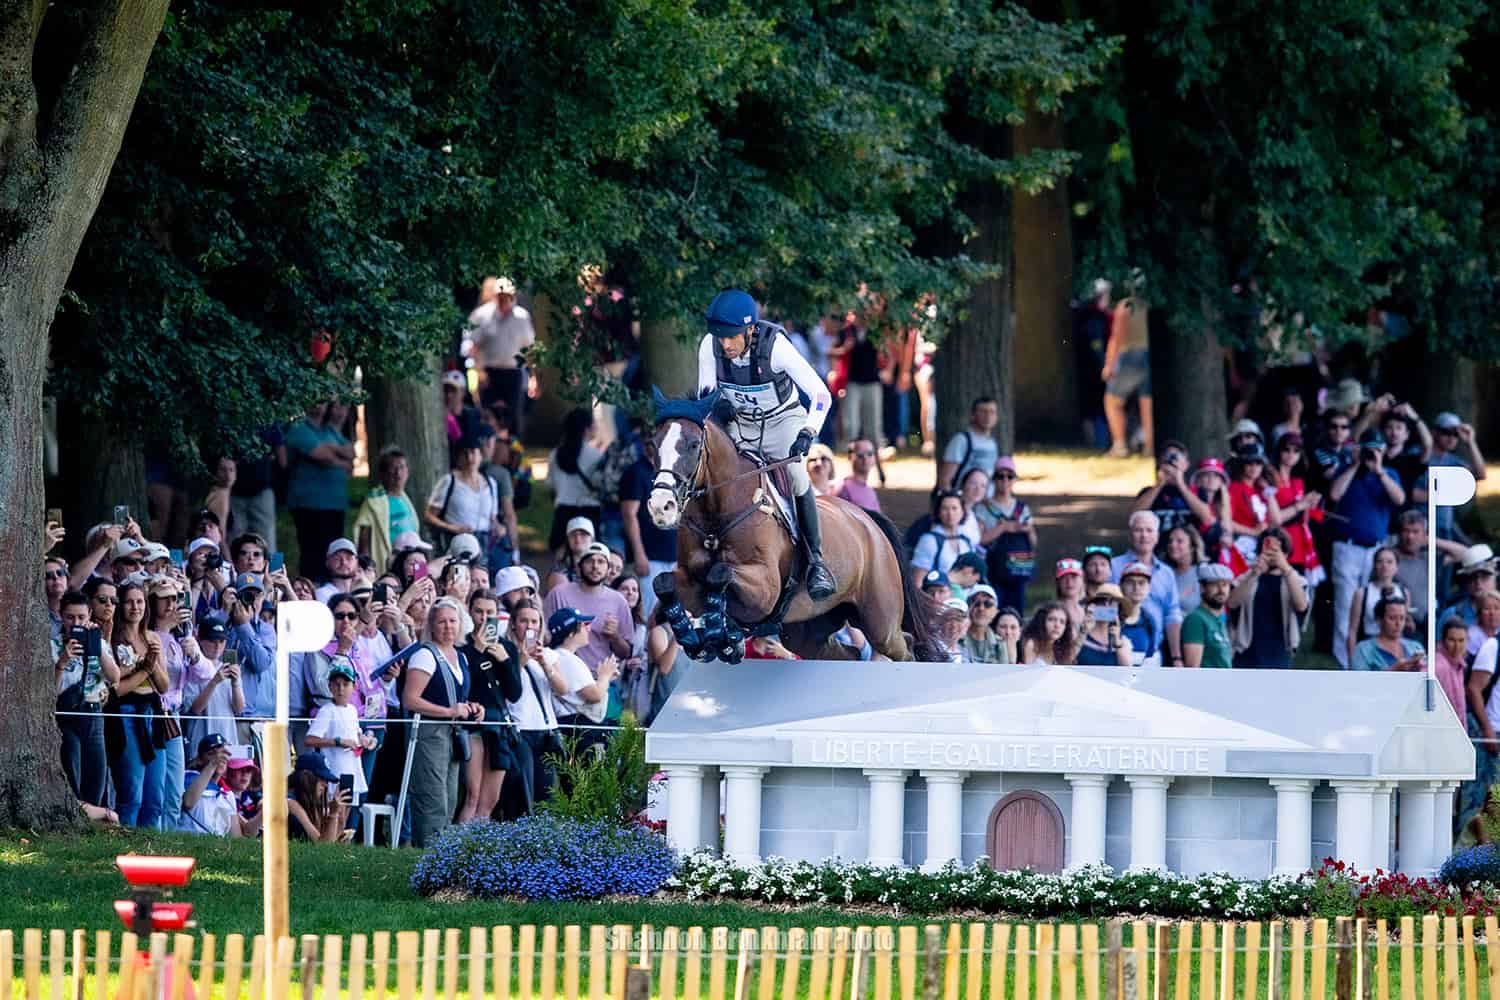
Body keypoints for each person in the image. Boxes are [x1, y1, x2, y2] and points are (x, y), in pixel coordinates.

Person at [697, 289, 838, 598]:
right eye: (720, 336)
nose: (725, 344)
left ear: (750, 330)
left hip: (783, 422)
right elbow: (705, 397)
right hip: (740, 425)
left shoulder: (776, 348)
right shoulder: (710, 346)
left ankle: (816, 560)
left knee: (798, 476)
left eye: (732, 337)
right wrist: (716, 407)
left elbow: (820, 394)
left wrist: (808, 431)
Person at [402, 599, 480, 847]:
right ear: (432, 626)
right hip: (429, 733)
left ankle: (441, 858)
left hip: (453, 734)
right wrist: (447, 711)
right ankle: (425, 856)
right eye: (442, 621)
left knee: (449, 798)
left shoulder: (461, 657)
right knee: (431, 798)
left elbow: (458, 696)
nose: (448, 626)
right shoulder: (425, 655)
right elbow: (410, 699)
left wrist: (472, 707)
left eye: (452, 620)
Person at [1328, 428, 1405, 668]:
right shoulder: (1346, 471)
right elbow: (1334, 493)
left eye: (1376, 449)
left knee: (1378, 605)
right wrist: (1354, 465)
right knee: (1344, 607)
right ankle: (1346, 664)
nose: (1372, 454)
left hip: (1377, 551)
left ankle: (1377, 660)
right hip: (1348, 549)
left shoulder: (1389, 473)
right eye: (1368, 449)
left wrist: (1379, 470)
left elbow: (1399, 499)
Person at [107, 581, 170, 827]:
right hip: (126, 714)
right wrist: (144, 669)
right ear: (121, 605)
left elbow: (164, 685)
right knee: (132, 793)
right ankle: (126, 847)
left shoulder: (152, 637)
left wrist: (150, 664)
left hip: (153, 715)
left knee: (155, 796)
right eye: (130, 601)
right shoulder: (113, 638)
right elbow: (117, 689)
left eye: (140, 601)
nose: (136, 607)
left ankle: (151, 850)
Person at [457, 589, 522, 823]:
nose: (484, 618)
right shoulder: (462, 648)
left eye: (490, 613)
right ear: (470, 612)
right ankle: (455, 851)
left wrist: (505, 660)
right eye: (479, 612)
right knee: (472, 796)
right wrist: (477, 650)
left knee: (489, 801)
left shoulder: (507, 648)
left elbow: (515, 693)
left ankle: (475, 851)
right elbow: (463, 685)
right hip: (472, 725)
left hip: (498, 726)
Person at [54, 588, 119, 807]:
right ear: (62, 617)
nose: (76, 622)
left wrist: (97, 645)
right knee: (73, 774)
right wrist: (62, 662)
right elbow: (48, 692)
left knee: (96, 777)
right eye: (70, 617)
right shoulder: (53, 645)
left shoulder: (97, 641)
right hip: (67, 716)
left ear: (89, 615)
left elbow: (114, 677)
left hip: (94, 715)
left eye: (81, 617)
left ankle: (94, 821)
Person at [284, 402, 354, 580]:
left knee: (334, 551)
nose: (319, 404)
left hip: (335, 503)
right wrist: (340, 460)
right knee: (313, 553)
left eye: (323, 400)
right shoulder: (299, 428)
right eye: (314, 399)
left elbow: (351, 451)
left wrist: (332, 450)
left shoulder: (328, 431)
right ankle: (309, 590)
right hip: (309, 503)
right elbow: (321, 455)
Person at [505, 600, 563, 807]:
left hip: (545, 730)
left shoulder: (548, 654)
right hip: (519, 728)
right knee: (524, 791)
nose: (529, 626)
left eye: (534, 621)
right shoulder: (505, 651)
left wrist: (544, 664)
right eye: (523, 621)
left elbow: (562, 689)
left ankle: (543, 834)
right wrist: (522, 659)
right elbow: (507, 686)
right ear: (513, 623)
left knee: (547, 793)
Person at [1227, 530, 1309, 669]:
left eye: (1276, 551)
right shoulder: (1247, 576)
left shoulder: (1297, 580)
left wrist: (1285, 568)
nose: (1271, 555)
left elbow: (1301, 606)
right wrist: (1254, 573)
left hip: (1279, 656)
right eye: (1267, 549)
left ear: (1286, 554)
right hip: (1245, 655)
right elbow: (1232, 603)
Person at [1110, 512, 1185, 664]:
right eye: (1138, 530)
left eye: (1149, 530)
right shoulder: (1113, 567)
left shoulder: (1166, 573)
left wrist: (1177, 657)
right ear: (1130, 535)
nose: (1144, 535)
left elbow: (1172, 616)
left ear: (1157, 536)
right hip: (1116, 651)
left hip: (1153, 654)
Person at [617, 435, 678, 619]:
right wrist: (639, 554)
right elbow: (629, 514)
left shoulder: (672, 472)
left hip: (675, 553)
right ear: (646, 445)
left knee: (675, 612)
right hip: (649, 556)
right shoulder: (636, 472)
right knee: (650, 611)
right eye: (654, 441)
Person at [469, 276, 536, 438]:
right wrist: (479, 371)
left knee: (513, 415)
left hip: (513, 372)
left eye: (507, 296)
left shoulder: (522, 317)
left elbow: (529, 349)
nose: (504, 300)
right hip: (489, 372)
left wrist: (534, 376)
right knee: (488, 414)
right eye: (500, 296)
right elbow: (473, 347)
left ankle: (512, 450)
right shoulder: (482, 315)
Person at [545, 607, 619, 752]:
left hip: (569, 730)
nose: (589, 629)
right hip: (579, 735)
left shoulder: (558, 657)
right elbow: (594, 695)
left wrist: (604, 678)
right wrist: (604, 676)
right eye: (584, 625)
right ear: (571, 633)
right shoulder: (568, 659)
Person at [425, 438, 507, 563]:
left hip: (484, 545)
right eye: (465, 453)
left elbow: (492, 518)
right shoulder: (449, 481)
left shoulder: (490, 483)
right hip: (457, 542)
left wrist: (499, 527)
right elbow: (429, 515)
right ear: (459, 457)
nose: (470, 458)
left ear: (481, 455)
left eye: (473, 452)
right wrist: (452, 527)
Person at [1101, 269, 1153, 457]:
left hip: (1130, 357)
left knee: (1112, 401)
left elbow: (1116, 337)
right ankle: (1150, 447)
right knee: (1147, 403)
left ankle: (1120, 445)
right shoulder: (1151, 306)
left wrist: (1109, 364)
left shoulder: (1125, 306)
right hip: (1149, 357)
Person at [975, 457, 1036, 612]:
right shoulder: (983, 508)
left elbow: (1033, 542)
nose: (1005, 480)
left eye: (1009, 476)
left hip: (1018, 569)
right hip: (995, 570)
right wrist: (1003, 528)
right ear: (994, 479)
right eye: (1000, 476)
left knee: (1018, 611)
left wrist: (1028, 530)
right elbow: (980, 539)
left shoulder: (1023, 509)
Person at [1265, 434, 1324, 585]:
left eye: (1296, 450)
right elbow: (1273, 519)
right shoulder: (1269, 478)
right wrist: (1300, 505)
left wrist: (1310, 505)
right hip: (1281, 542)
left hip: (1300, 544)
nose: (1291, 454)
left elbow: (1304, 517)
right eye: (1287, 449)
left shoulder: (1297, 481)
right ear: (1279, 451)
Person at [353, 446, 422, 571]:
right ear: (383, 474)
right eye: (393, 468)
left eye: (402, 467)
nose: (398, 473)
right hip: (387, 566)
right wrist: (367, 569)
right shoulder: (374, 503)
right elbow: (364, 544)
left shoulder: (405, 499)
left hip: (410, 564)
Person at [181, 616, 243, 753]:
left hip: (227, 737)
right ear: (200, 641)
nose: (217, 646)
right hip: (201, 741)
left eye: (221, 641)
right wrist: (214, 682)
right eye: (212, 641)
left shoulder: (230, 667)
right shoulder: (191, 668)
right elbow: (194, 710)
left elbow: (239, 709)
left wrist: (235, 683)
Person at [1344, 546, 1412, 666]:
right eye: (1380, 561)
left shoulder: (1404, 592)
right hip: (1369, 647)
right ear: (1374, 565)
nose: (1384, 565)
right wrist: (1352, 660)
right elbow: (1352, 630)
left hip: (1395, 648)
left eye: (1389, 562)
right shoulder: (1362, 593)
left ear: (1396, 567)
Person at [179, 737, 260, 838]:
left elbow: (236, 837)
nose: (219, 758)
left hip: (216, 848)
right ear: (199, 759)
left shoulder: (227, 794)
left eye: (224, 754)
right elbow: (188, 802)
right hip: (190, 844)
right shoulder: (189, 776)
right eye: (212, 754)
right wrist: (212, 764)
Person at [1132, 441, 1210, 543]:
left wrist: (1180, 484)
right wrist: (1159, 485)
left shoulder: (1198, 492)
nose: (1172, 462)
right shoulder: (1148, 492)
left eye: (1176, 458)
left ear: (1186, 465)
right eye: (1167, 458)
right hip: (1157, 548)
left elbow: (1206, 518)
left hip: (1188, 550)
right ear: (1160, 462)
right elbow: (1134, 515)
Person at [1426, 412, 1487, 541]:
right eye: (1446, 432)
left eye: (1456, 434)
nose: (1452, 438)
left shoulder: (1453, 461)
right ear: (1434, 432)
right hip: (1419, 527)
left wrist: (1470, 442)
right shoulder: (1419, 456)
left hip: (1444, 526)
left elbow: (1481, 474)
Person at [1073, 278, 1112, 446]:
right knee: (1096, 408)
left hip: (1087, 368)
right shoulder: (1095, 318)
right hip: (1094, 370)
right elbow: (1096, 345)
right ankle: (1097, 444)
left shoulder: (1084, 314)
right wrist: (1103, 365)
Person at [1226, 444, 1280, 566]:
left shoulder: (1261, 490)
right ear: (1241, 465)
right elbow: (1226, 521)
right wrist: (1252, 531)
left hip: (1261, 547)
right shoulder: (1234, 488)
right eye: (1249, 463)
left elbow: (1276, 520)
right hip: (1242, 547)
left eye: (1258, 463)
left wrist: (1268, 491)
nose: (1254, 467)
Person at [910, 490, 976, 587]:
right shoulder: (929, 540)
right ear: (938, 512)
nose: (950, 513)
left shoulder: (965, 540)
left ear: (962, 512)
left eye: (954, 508)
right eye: (945, 508)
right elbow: (918, 581)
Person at [937, 397, 1000, 492]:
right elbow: (945, 479)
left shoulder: (992, 443)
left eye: (992, 412)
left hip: (985, 504)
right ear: (973, 415)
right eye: (983, 411)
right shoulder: (961, 440)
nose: (988, 416)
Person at [286, 751, 352, 842]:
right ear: (306, 777)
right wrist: (333, 814)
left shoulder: (310, 803)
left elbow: (331, 840)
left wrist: (340, 816)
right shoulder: (290, 803)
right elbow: (323, 846)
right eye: (322, 779)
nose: (325, 785)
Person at [1181, 563, 1235, 668]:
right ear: (1202, 587)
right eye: (1215, 584)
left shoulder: (1219, 619)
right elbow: (1192, 668)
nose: (1221, 590)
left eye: (1225, 584)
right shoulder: (1196, 619)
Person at [1350, 596, 1425, 671]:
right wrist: (1394, 670)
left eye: (1402, 618)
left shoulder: (1416, 647)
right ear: (1379, 620)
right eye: (1392, 618)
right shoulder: (1363, 649)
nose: (1398, 623)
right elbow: (1358, 680)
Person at [1076, 584, 1132, 666]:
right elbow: (1066, 662)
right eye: (1102, 601)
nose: (1106, 605)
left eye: (1112, 602)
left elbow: (1127, 672)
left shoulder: (1123, 641)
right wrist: (1083, 633)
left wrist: (1117, 642)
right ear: (1093, 605)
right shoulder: (1079, 632)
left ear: (1118, 609)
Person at [1117, 562, 1161, 666]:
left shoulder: (1150, 621)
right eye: (1130, 582)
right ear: (1121, 586)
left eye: (1142, 583)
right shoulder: (1111, 618)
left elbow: (1151, 657)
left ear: (1149, 587)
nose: (1136, 587)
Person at [545, 516, 596, 592]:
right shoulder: (559, 571)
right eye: (573, 534)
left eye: (583, 534)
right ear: (568, 539)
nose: (578, 539)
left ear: (592, 539)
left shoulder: (602, 566)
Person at [1163, 526, 1206, 614]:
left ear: (1192, 547)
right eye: (1170, 541)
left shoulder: (1203, 572)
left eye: (1179, 541)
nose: (1172, 545)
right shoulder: (1164, 574)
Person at [958, 585, 1005, 663]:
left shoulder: (999, 644)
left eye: (988, 604)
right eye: (976, 603)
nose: (981, 608)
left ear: (995, 612)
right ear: (968, 608)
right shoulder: (956, 638)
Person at [836, 439, 882, 513]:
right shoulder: (843, 489)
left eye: (870, 454)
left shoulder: (870, 491)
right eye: (860, 455)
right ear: (850, 457)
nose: (865, 458)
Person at [314, 538, 361, 603]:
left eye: (349, 558)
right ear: (327, 562)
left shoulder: (364, 590)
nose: (344, 562)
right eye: (337, 558)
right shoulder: (321, 595)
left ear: (357, 562)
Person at [1054, 559, 1086, 630]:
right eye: (1064, 577)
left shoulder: (1088, 612)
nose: (1069, 582)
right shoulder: (1051, 612)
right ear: (1058, 583)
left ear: (1082, 580)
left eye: (1074, 577)